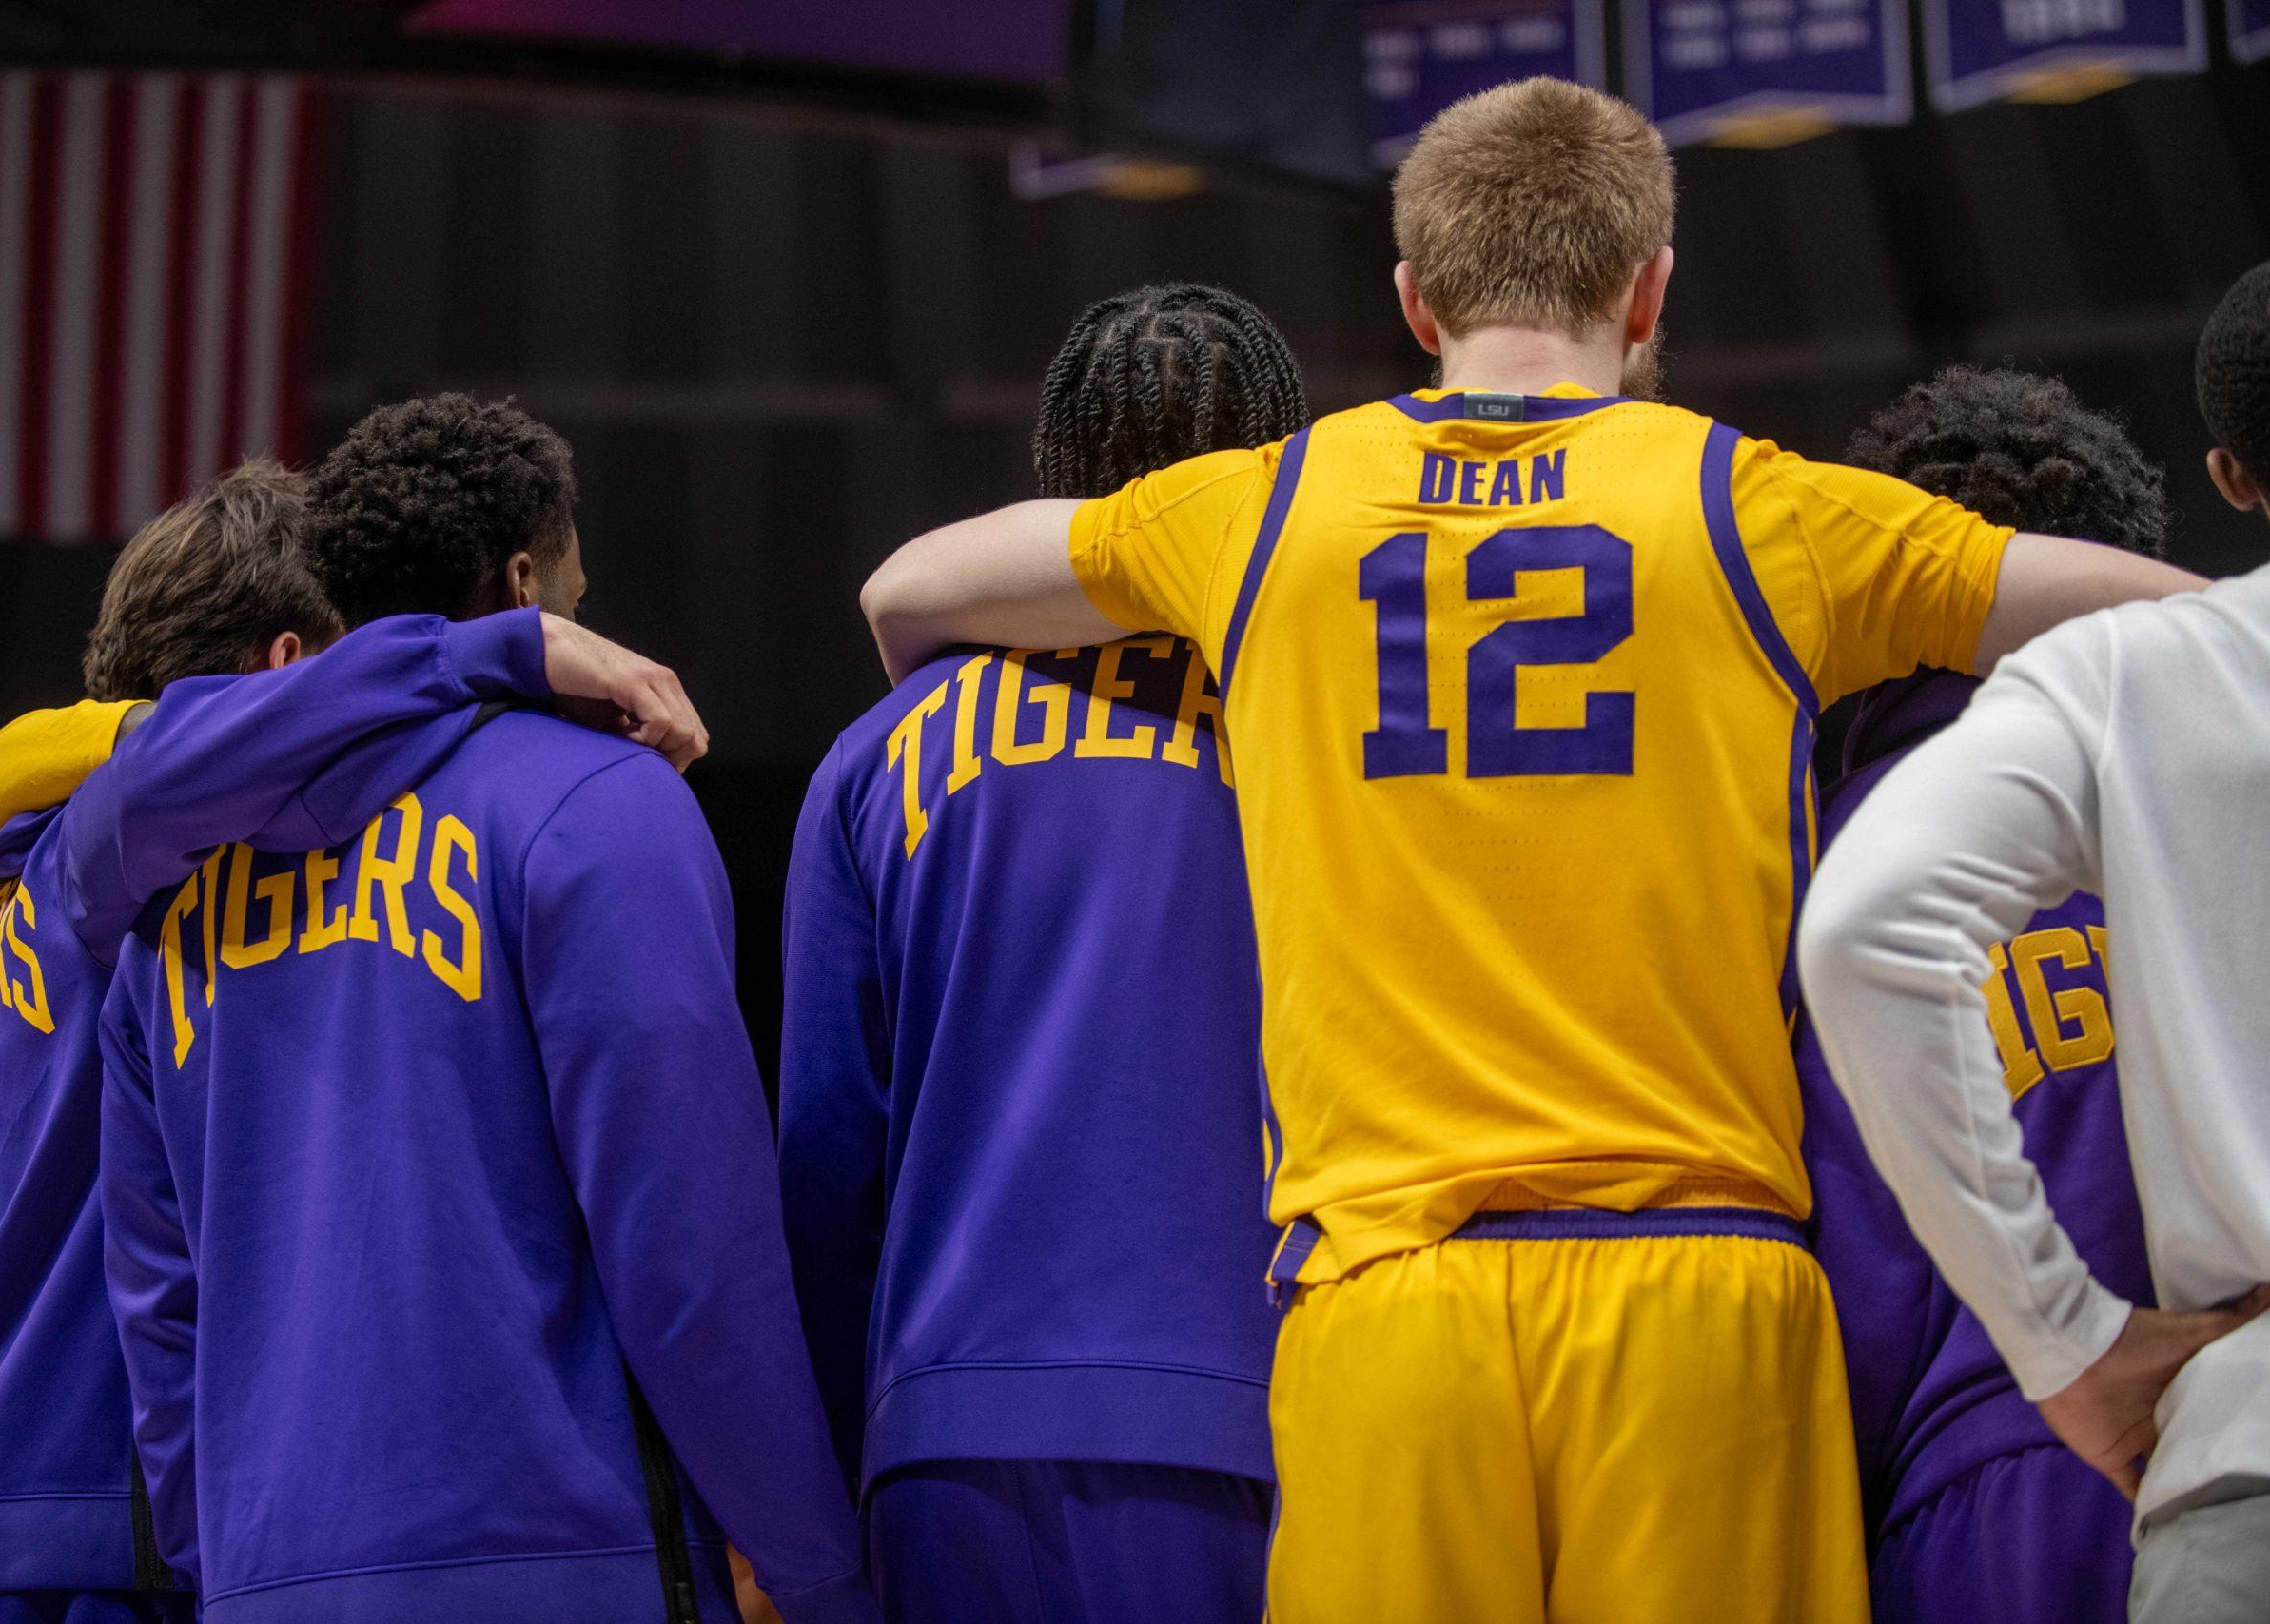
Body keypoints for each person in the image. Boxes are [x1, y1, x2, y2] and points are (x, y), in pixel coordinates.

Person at [855, 76, 2203, 1623]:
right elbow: (2174, 621)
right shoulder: (1765, 509)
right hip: (1703, 1297)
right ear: (1648, 288)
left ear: (1417, 301)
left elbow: (913, 592)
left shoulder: (1265, 510)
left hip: (1386, 1313)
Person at [84, 395, 873, 1622]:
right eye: (575, 587)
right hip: (562, 1560)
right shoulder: (601, 802)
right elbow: (688, 1248)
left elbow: (157, 1304)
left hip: (266, 1575)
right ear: (523, 585)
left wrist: (222, 1562)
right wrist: (817, 1562)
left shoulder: (169, 900)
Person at [0, 458, 688, 1624]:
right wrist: (496, 651)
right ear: (289, 673)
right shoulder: (141, 874)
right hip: (93, 1532)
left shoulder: (16, 898)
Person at [779, 284, 1301, 1624]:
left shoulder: (877, 755)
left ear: (1057, 479)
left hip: (943, 1434)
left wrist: (824, 1477)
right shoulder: (1337, 730)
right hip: (1277, 1404)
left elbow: (829, 1165)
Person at [1799, 267, 2270, 1624]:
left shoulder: (1816, 855)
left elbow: (1862, 1285)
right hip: (2203, 1399)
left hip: (1996, 1466)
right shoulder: (2205, 769)